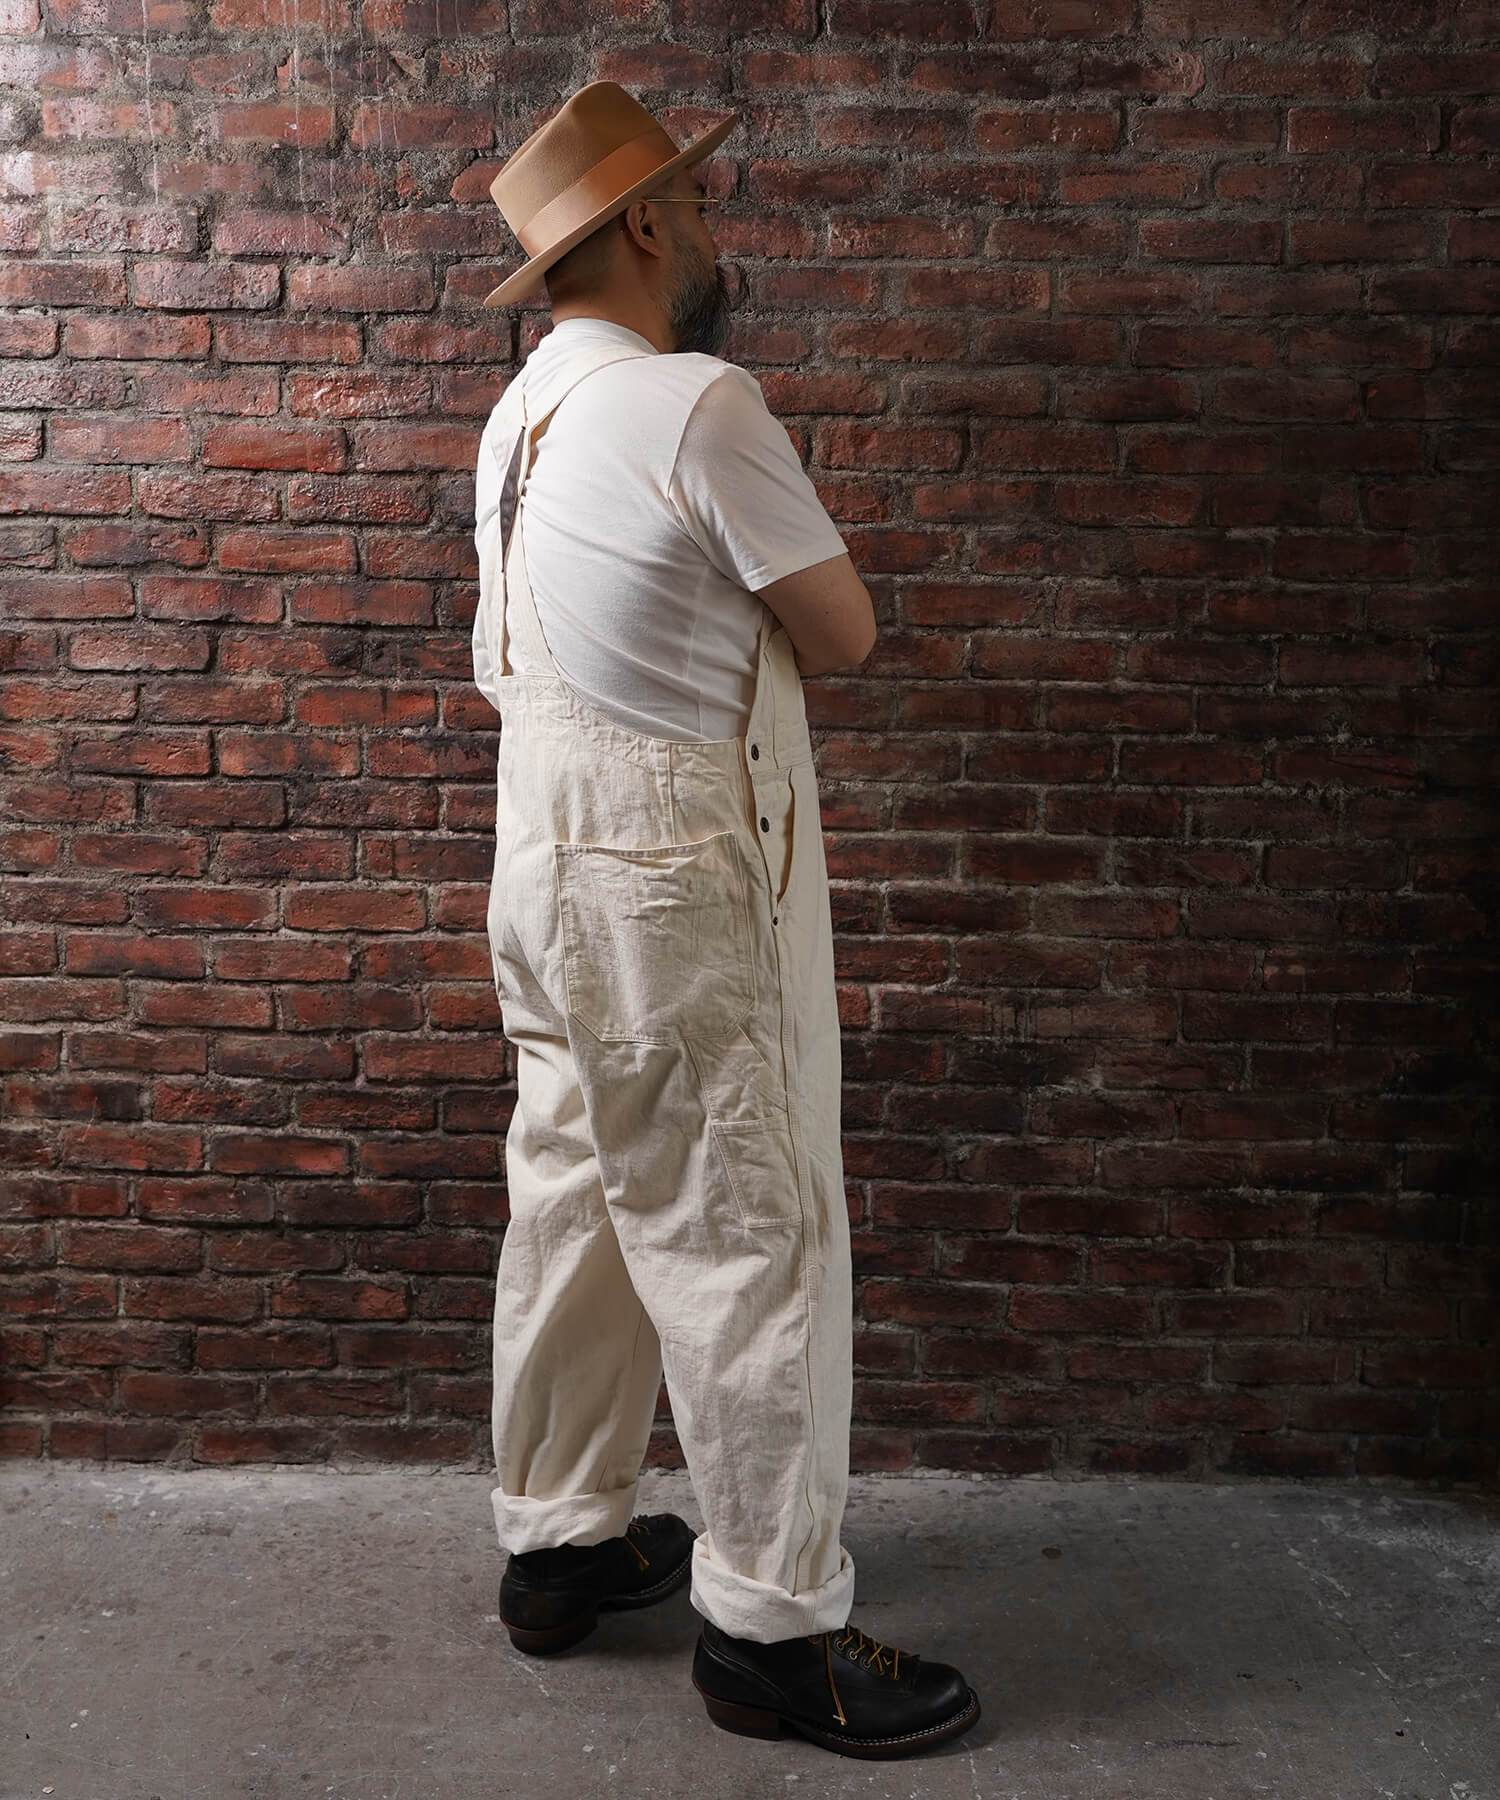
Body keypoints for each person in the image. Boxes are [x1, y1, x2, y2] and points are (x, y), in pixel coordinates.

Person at [470, 80, 981, 1760]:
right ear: (640, 225)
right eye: (690, 205)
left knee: (576, 1192)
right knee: (750, 1221)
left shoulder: (517, 418)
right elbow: (843, 633)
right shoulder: (697, 402)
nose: (706, 231)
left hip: (539, 864)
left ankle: (560, 1547)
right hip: (673, 872)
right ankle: (772, 1632)